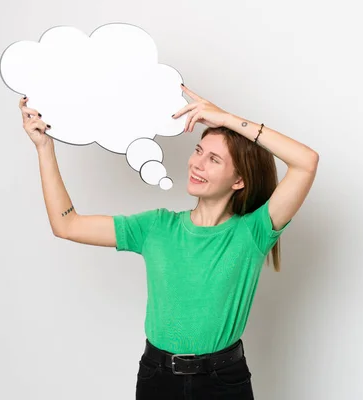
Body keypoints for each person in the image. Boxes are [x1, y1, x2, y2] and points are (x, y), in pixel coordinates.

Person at [17, 83, 319, 399]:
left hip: (223, 381)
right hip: (157, 378)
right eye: (199, 151)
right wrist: (44, 147)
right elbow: (67, 224)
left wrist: (227, 119)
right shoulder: (157, 227)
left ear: (239, 180)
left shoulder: (253, 232)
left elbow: (306, 162)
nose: (197, 164)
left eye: (214, 159)